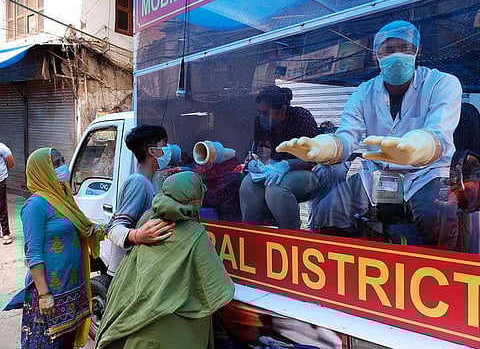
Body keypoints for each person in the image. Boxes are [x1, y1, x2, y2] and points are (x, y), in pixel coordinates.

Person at [277, 20, 462, 250]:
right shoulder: (364, 92)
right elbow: (347, 136)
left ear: (418, 50)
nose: (397, 55)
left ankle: (438, 273)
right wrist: (323, 148)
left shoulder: (442, 83)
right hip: (377, 173)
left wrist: (415, 150)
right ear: (376, 55)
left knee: (437, 217)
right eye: (389, 50)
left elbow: (439, 135)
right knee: (328, 210)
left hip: (426, 173)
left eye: (405, 48)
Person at [95, 171, 235, 349]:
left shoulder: (147, 219)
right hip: (172, 335)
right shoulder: (196, 234)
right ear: (195, 199)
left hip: (134, 325)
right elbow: (219, 291)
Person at [4, 148, 104, 348]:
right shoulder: (35, 206)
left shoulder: (64, 199)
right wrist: (44, 294)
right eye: (55, 164)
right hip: (50, 293)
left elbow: (85, 227)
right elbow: (33, 253)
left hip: (72, 290)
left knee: (66, 343)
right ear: (42, 170)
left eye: (62, 161)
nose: (62, 167)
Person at [239, 85, 321, 229]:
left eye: (266, 113)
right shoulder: (259, 122)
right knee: (247, 184)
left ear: (282, 110)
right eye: (259, 112)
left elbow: (314, 159)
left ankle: (289, 236)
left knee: (276, 189)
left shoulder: (301, 117)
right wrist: (257, 164)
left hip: (309, 173)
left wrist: (286, 165)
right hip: (273, 170)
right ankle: (250, 234)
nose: (262, 117)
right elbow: (263, 153)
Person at [105, 124, 176, 282]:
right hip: (124, 276)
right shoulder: (138, 183)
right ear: (152, 151)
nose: (169, 149)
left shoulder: (150, 182)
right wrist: (138, 235)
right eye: (164, 144)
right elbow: (114, 228)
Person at [0, 142, 15, 245]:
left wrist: (3, 172)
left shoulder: (2, 148)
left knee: (1, 206)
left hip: (0, 180)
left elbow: (11, 163)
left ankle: (6, 233)